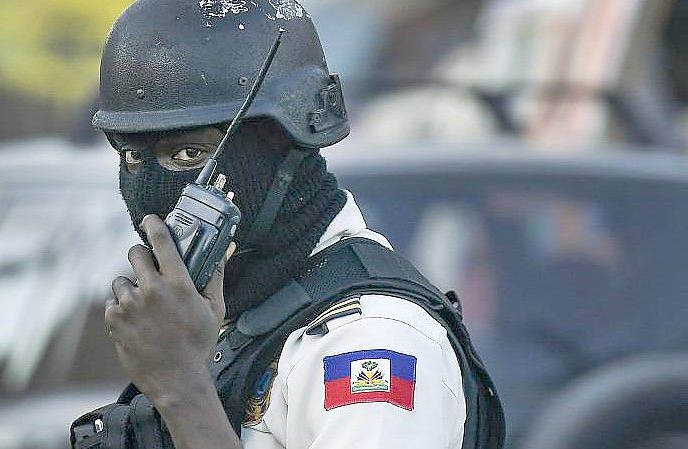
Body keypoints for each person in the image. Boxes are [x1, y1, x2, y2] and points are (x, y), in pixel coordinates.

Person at [75, 1, 504, 448]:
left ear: (283, 145)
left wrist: (182, 389)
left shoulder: (374, 342)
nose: (151, 193)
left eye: (189, 155)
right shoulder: (234, 316)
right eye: (130, 156)